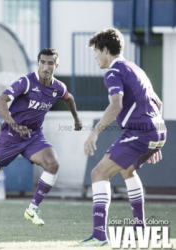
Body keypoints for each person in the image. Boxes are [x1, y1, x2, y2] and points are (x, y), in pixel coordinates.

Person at [0, 48, 82, 230]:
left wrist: (76, 118)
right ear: (38, 63)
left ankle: (32, 208)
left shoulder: (58, 87)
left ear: (55, 66)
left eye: (50, 63)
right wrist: (14, 125)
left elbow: (69, 98)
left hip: (33, 136)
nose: (46, 66)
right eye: (42, 62)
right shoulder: (26, 82)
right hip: (10, 136)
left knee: (52, 163)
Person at [79, 28, 166, 247]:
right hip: (156, 130)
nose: (95, 57)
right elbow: (158, 102)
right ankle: (140, 230)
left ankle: (99, 236)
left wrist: (95, 132)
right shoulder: (135, 68)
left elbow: (116, 104)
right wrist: (155, 142)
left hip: (139, 132)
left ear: (106, 50)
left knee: (98, 173)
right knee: (127, 170)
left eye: (97, 51)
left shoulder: (113, 72)